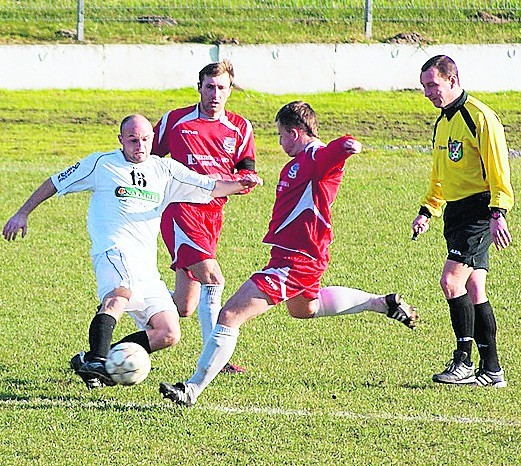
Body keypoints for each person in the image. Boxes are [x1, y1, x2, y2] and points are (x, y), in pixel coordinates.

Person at [159, 101, 418, 406]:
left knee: (229, 315)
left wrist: (348, 145)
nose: (279, 142)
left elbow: (335, 152)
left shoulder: (315, 157)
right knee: (303, 309)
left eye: (281, 135)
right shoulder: (297, 162)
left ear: (295, 133)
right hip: (295, 256)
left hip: (297, 260)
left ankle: (191, 389)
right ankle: (380, 304)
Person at [2, 114, 262, 389]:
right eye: (133, 140)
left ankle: (96, 358)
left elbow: (208, 186)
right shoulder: (102, 164)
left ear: (152, 139)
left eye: (146, 139)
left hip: (146, 267)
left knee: (168, 332)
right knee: (119, 294)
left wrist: (240, 185)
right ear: (121, 141)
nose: (140, 146)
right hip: (112, 251)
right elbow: (55, 181)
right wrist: (22, 213)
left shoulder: (165, 169)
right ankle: (98, 361)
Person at [412, 55, 514, 388]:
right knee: (474, 289)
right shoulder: (443, 123)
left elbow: (499, 169)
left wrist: (498, 213)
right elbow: (440, 176)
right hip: (456, 213)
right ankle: (493, 369)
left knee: (451, 282)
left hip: (480, 211)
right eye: (424, 86)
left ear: (452, 80)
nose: (427, 92)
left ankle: (463, 362)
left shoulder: (480, 118)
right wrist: (428, 210)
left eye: (433, 85)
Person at [152, 59, 257, 374]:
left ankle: (125, 303)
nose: (215, 94)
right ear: (198, 88)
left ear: (230, 90)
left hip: (213, 215)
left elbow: (246, 171)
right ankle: (216, 357)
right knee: (214, 278)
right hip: (180, 211)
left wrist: (246, 182)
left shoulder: (241, 127)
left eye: (221, 88)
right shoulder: (176, 121)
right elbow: (148, 161)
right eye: (209, 87)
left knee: (185, 306)